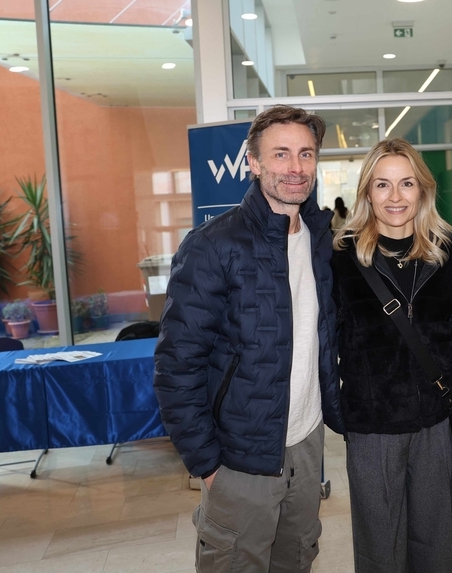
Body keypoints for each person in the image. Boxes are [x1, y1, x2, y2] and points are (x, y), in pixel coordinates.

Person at [154, 105, 345, 573]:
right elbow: (177, 366)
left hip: (306, 443)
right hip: (239, 457)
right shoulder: (213, 245)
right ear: (254, 163)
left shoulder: (321, 240)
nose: (295, 167)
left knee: (296, 561)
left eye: (306, 154)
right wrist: (207, 465)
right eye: (281, 154)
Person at [331, 138, 452, 573]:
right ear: (367, 193)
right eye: (382, 184)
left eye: (406, 183)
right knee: (380, 553)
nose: (395, 196)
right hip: (372, 428)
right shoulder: (341, 261)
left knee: (436, 549)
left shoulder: (450, 256)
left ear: (422, 190)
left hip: (436, 424)